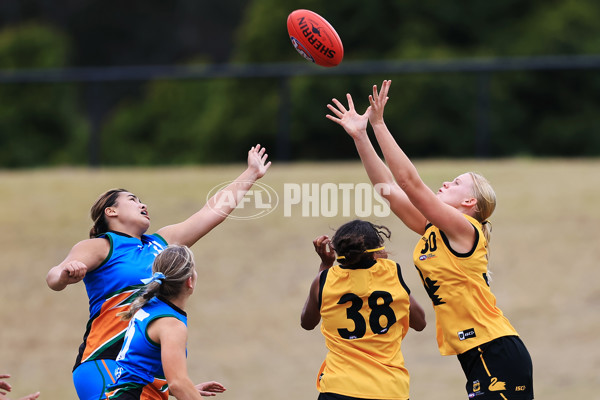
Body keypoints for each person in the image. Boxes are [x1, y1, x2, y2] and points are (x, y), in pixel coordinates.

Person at [326, 80, 534, 399]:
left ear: (470, 204)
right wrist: (361, 137)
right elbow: (391, 190)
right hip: (477, 355)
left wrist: (379, 124)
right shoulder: (433, 230)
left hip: (495, 351)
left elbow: (410, 183)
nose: (447, 182)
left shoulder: (467, 230)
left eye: (458, 182)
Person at [46, 144, 270, 400]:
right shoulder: (102, 246)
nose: (143, 204)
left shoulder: (161, 242)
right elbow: (53, 278)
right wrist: (64, 274)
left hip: (143, 374)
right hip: (104, 362)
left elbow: (212, 212)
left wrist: (251, 174)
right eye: (133, 200)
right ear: (111, 211)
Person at [301, 219, 426, 400]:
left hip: (339, 388)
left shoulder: (324, 280)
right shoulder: (391, 273)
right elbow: (420, 322)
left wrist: (325, 266)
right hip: (390, 389)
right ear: (375, 252)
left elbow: (307, 322)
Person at [105, 245, 225, 400]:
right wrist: (183, 388)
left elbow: (141, 368)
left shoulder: (150, 306)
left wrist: (189, 390)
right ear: (190, 281)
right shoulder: (171, 324)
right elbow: (178, 383)